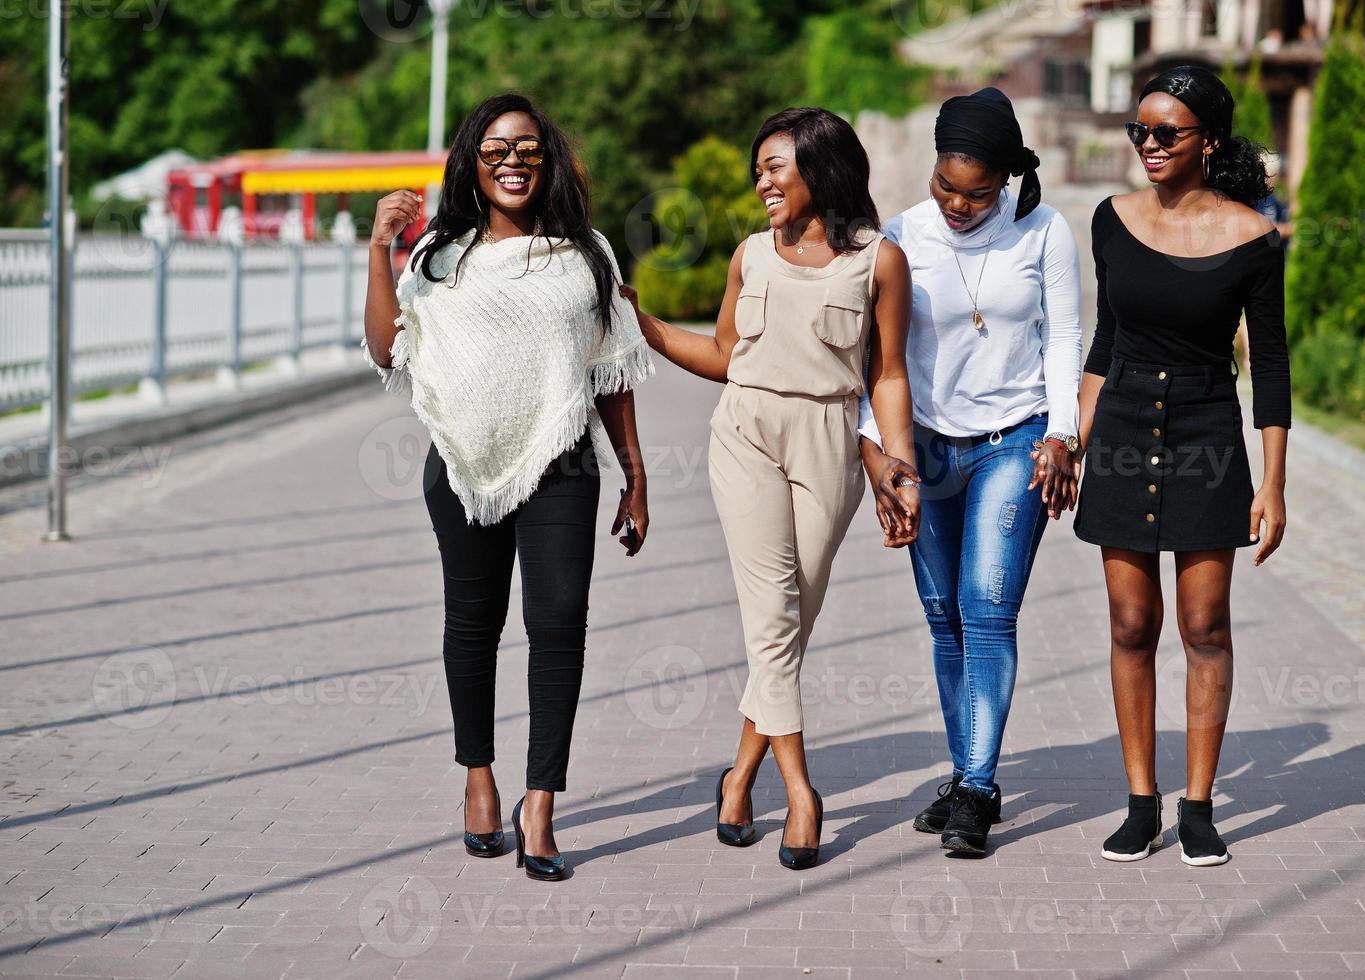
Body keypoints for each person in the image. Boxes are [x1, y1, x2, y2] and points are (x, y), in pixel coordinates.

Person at [362, 93, 654, 882]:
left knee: (558, 623)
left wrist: (635, 473)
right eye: (495, 151)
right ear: (472, 164)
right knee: (474, 624)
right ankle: (478, 781)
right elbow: (388, 350)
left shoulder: (585, 253)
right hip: (461, 464)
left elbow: (612, 372)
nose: (512, 163)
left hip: (562, 461)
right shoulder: (436, 257)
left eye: (526, 149)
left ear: (547, 159)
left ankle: (541, 804)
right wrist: (380, 250)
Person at [619, 107, 917, 870]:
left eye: (773, 166)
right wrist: (643, 324)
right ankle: (801, 791)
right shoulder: (749, 254)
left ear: (820, 168)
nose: (761, 182)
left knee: (788, 624)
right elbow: (724, 355)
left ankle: (738, 777)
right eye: (759, 169)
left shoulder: (878, 262)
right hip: (745, 432)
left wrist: (897, 464)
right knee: (772, 616)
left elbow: (885, 375)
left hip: (828, 443)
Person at [856, 87, 1083, 856]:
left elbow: (1064, 339)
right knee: (942, 614)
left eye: (976, 192)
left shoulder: (1044, 231)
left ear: (1006, 181)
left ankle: (979, 788)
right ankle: (965, 772)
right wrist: (880, 456)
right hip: (924, 448)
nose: (957, 203)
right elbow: (878, 359)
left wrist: (1064, 436)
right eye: (945, 186)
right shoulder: (901, 236)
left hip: (1012, 440)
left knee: (986, 606)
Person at [1074, 66, 1290, 867]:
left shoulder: (1254, 238)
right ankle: (1140, 803)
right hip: (1125, 426)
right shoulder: (1109, 219)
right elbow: (1105, 342)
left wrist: (1272, 482)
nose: (1150, 145)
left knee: (1204, 626)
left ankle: (1197, 807)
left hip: (1206, 434)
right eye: (1140, 131)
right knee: (1132, 625)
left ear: (1208, 139)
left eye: (1167, 132)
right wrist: (1074, 440)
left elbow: (1268, 365)